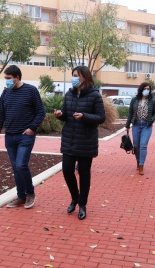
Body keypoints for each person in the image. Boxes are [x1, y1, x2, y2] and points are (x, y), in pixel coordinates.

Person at [53, 66, 106, 220]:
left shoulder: (95, 95)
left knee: (84, 174)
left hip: (86, 141)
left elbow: (101, 117)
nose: (73, 78)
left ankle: (82, 204)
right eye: (73, 75)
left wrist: (84, 116)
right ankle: (75, 197)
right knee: (67, 170)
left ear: (84, 77)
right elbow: (66, 115)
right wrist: (60, 115)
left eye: (76, 75)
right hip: (69, 140)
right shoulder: (69, 94)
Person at [0, 65, 46, 208]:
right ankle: (21, 197)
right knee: (16, 168)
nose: (7, 81)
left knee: (21, 165)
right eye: (5, 78)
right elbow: (0, 114)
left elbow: (41, 111)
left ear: (17, 77)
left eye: (9, 78)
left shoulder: (31, 91)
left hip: (25, 136)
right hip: (10, 136)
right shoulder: (6, 93)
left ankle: (30, 193)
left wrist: (32, 128)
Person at [125, 82, 155, 175]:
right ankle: (138, 160)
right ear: (141, 89)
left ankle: (141, 165)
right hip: (136, 124)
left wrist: (151, 120)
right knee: (136, 146)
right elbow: (130, 113)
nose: (147, 90)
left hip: (147, 126)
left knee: (143, 145)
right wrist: (127, 126)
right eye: (145, 89)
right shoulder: (134, 100)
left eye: (148, 89)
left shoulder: (152, 101)